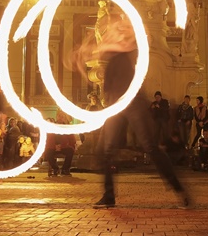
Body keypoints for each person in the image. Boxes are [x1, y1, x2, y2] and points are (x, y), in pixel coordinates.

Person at [74, 17, 190, 209]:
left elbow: (143, 40)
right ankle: (109, 196)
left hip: (132, 101)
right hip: (114, 104)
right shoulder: (111, 50)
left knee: (150, 147)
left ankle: (179, 189)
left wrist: (132, 33)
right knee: (105, 151)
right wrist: (81, 54)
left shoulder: (129, 47)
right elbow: (94, 52)